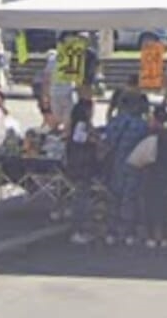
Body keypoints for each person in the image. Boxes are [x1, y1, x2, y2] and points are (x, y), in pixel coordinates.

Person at [103, 93, 148, 246]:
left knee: (114, 197)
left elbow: (108, 140)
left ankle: (111, 232)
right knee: (130, 198)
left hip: (116, 164)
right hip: (134, 164)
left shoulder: (115, 122)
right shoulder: (141, 124)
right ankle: (129, 233)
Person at [141, 105, 167, 248]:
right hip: (166, 174)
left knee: (149, 205)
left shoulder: (148, 134)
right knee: (164, 205)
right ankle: (164, 235)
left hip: (150, 172)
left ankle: (151, 236)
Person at [65, 96, 98, 246]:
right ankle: (78, 231)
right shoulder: (82, 125)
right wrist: (94, 139)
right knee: (81, 199)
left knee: (81, 197)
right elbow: (82, 140)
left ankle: (79, 230)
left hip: (77, 165)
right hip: (82, 166)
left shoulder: (75, 124)